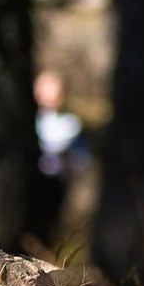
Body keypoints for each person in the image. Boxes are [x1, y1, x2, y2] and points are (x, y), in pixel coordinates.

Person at [30, 70, 91, 244]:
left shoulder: (71, 125)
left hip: (55, 187)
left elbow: (82, 161)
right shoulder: (25, 122)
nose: (48, 97)